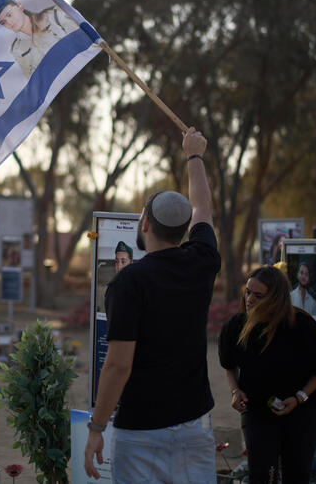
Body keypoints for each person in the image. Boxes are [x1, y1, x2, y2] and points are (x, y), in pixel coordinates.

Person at [84, 126, 220, 481]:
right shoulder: (202, 261)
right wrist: (194, 156)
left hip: (140, 431)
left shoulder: (128, 281)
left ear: (144, 223)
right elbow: (204, 208)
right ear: (184, 228)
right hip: (194, 426)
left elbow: (117, 366)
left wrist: (97, 427)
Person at [219, 266, 316, 484]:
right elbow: (228, 365)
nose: (250, 299)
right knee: (262, 476)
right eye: (248, 292)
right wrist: (235, 391)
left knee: (296, 476)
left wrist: (299, 397)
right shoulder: (236, 326)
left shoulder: (302, 325)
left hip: (301, 413)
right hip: (258, 412)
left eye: (258, 295)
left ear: (276, 298)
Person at [0, 0, 78, 78]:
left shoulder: (54, 16)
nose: (9, 22)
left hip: (81, 68)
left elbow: (81, 40)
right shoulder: (17, 50)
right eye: (3, 22)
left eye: (9, 15)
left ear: (20, 7)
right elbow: (34, 80)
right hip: (63, 85)